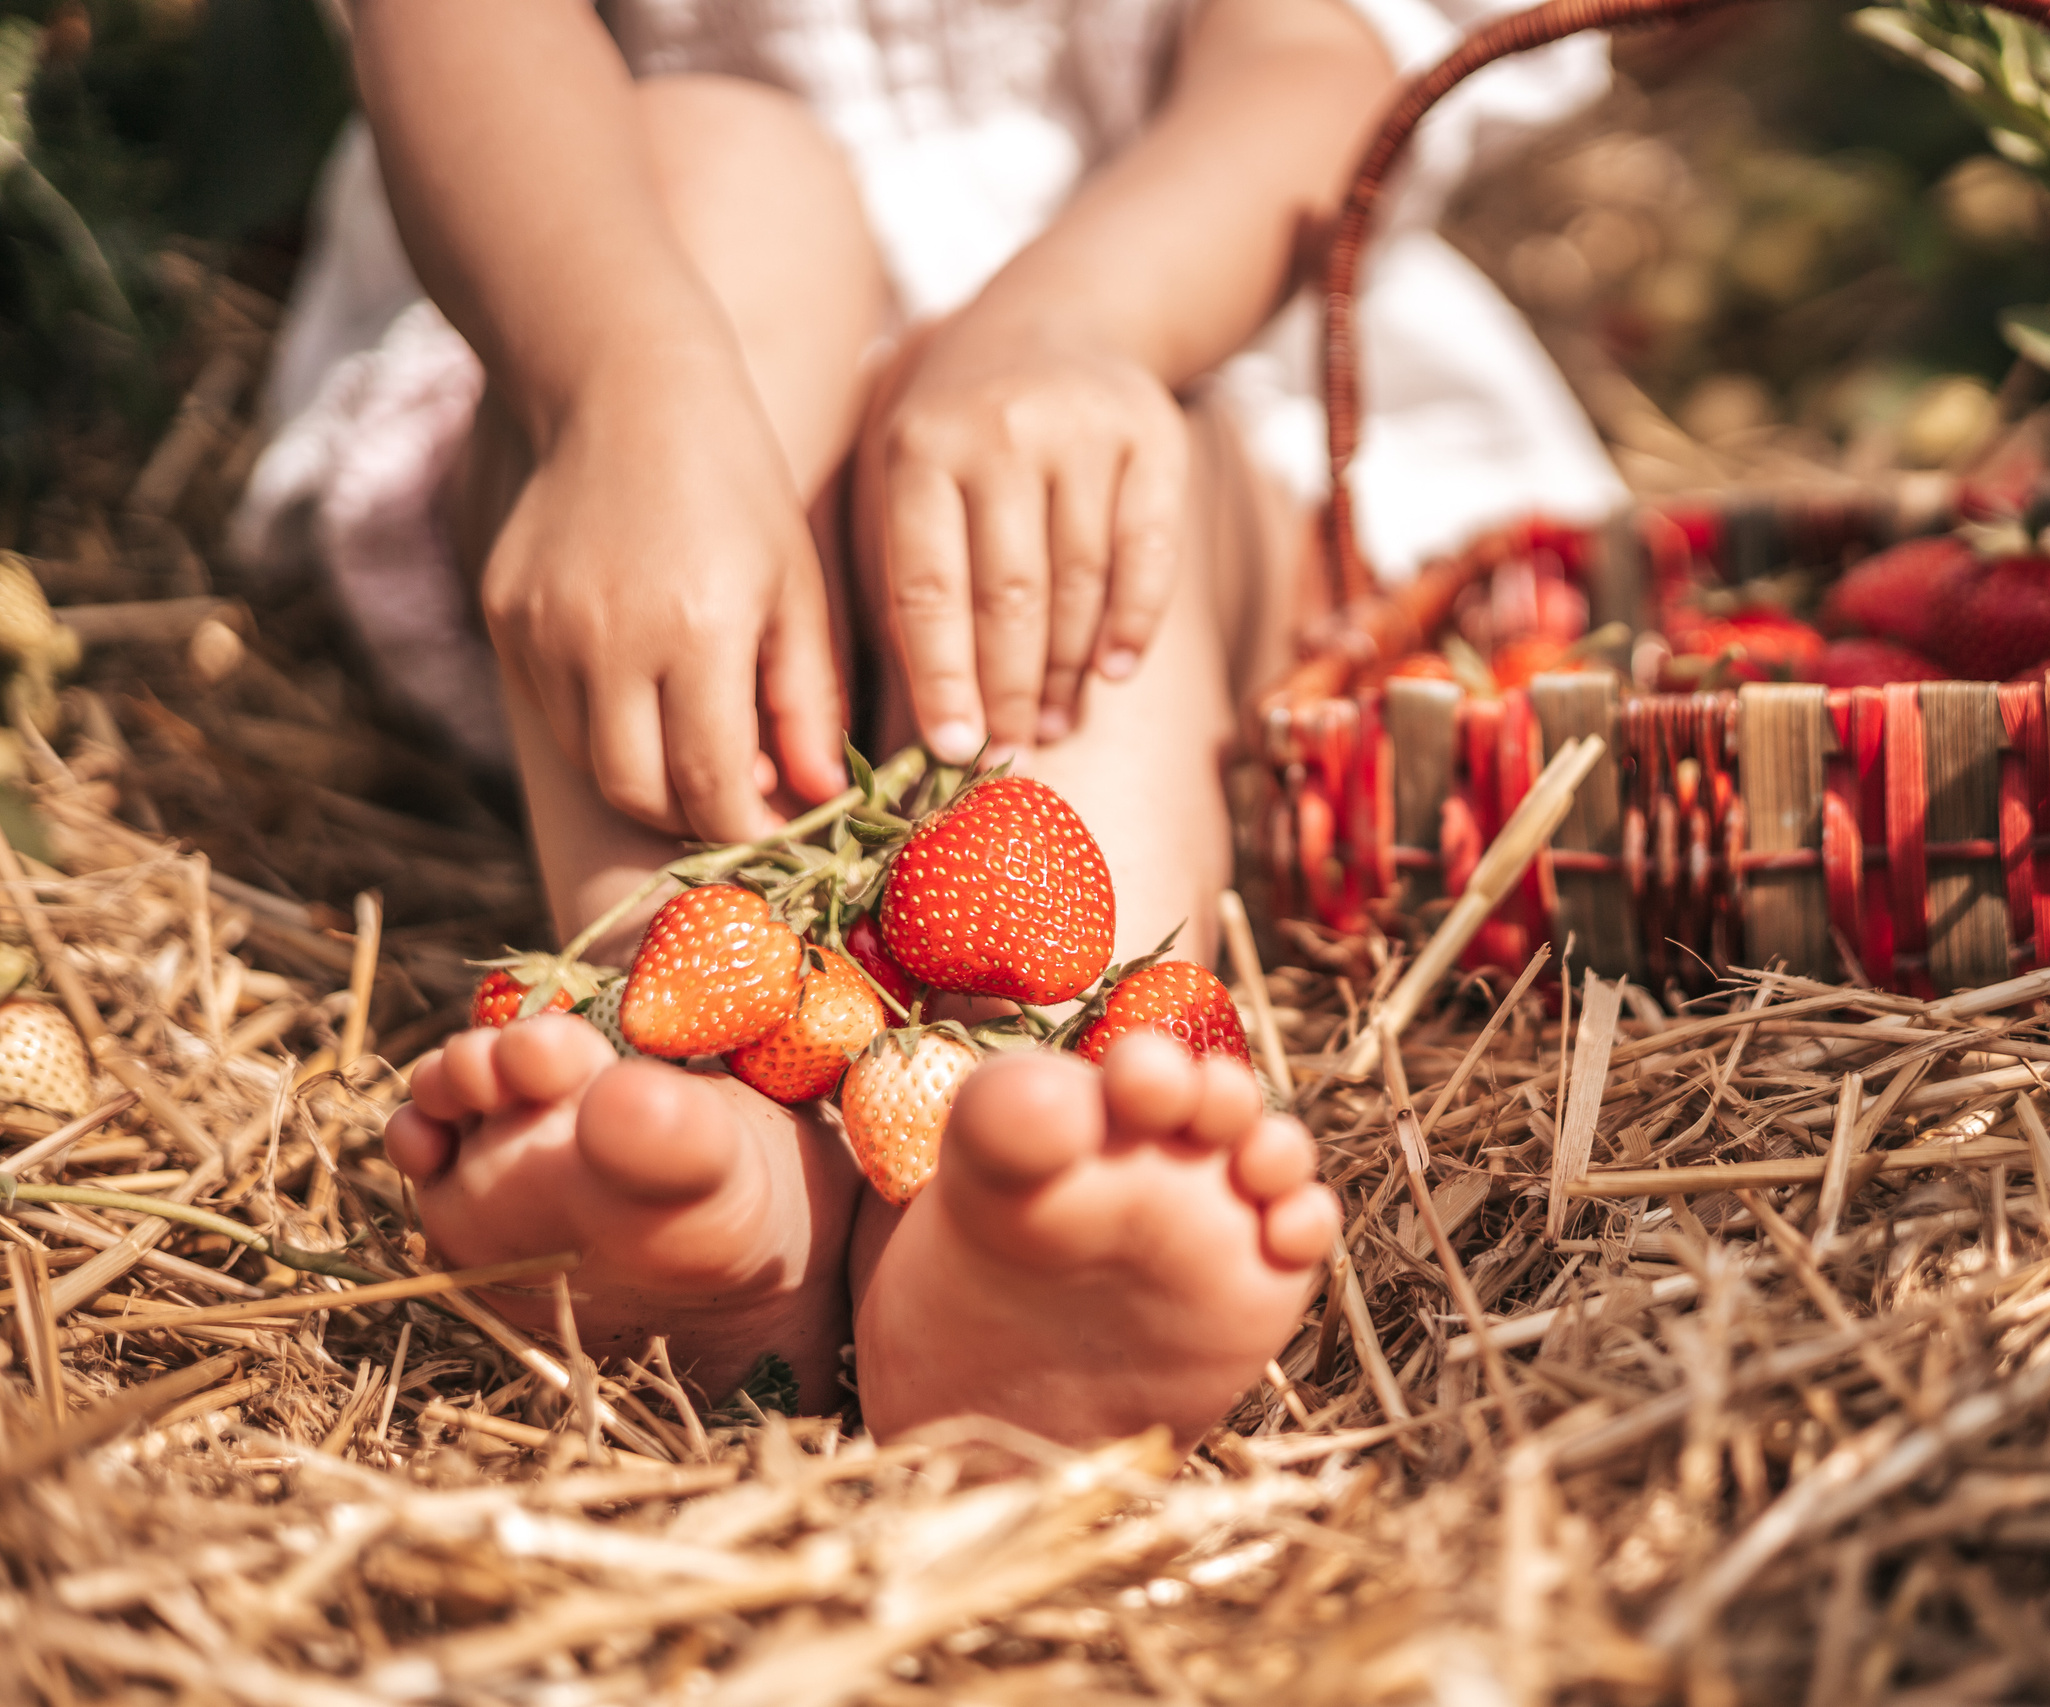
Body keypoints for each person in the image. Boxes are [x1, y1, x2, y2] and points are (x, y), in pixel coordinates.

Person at [253, 0, 1625, 1444]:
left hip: (1147, 344)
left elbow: (1309, 55)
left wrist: (1074, 328)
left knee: (1104, 487)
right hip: (641, 409)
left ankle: (1008, 1112)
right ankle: (731, 1109)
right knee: (711, 154)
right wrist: (614, 392)